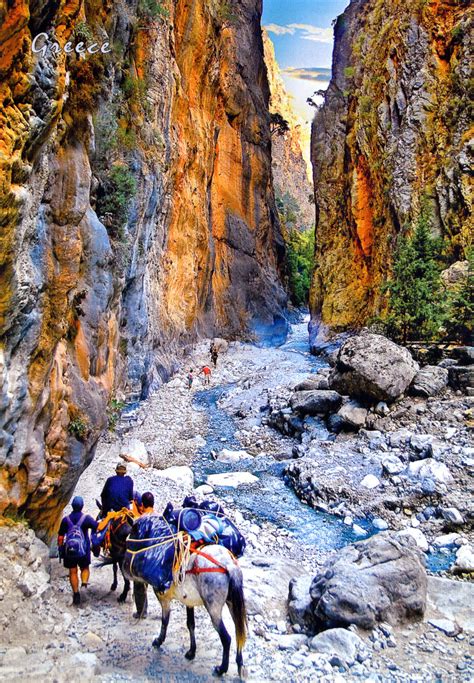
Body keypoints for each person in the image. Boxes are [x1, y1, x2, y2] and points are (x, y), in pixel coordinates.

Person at [58, 496, 98, 606]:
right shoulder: (86, 518)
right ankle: (84, 584)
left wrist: (61, 549)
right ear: (82, 506)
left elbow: (61, 537)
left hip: (69, 550)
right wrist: (108, 519)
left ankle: (76, 594)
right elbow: (97, 526)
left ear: (72, 506)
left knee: (73, 571)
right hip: (83, 550)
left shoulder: (66, 520)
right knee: (84, 568)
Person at [133, 491, 155, 619]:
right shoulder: (160, 518)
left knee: (138, 584)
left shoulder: (139, 521)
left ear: (142, 504)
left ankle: (141, 612)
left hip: (143, 558)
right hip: (157, 557)